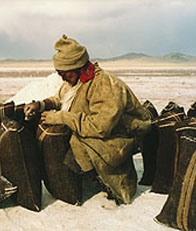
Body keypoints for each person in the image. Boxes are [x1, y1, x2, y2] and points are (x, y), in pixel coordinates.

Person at [24, 34, 152, 204]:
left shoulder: (105, 85)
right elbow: (61, 98)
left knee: (76, 146)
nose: (62, 78)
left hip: (119, 135)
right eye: (59, 73)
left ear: (79, 67)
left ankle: (105, 182)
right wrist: (40, 105)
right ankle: (89, 175)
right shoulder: (76, 80)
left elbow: (101, 127)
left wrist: (61, 117)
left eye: (65, 74)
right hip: (102, 129)